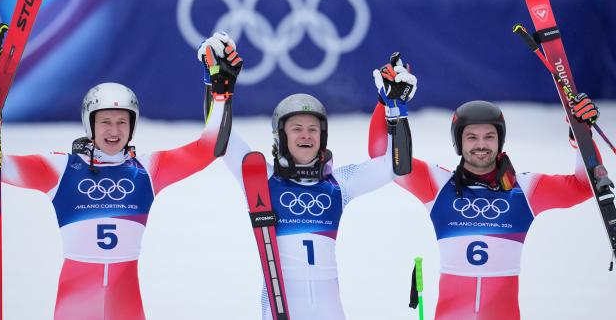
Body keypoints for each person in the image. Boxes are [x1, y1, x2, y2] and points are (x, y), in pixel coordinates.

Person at [0, 47, 242, 319]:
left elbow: (209, 147)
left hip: (125, 304)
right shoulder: (62, 168)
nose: (114, 131)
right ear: (89, 123)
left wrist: (220, 92)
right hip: (75, 304)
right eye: (105, 121)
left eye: (121, 122)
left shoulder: (148, 170)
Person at [197, 32, 417, 320]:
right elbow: (219, 140)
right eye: (296, 128)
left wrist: (396, 112)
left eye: (313, 129)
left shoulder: (340, 184)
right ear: (280, 136)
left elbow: (395, 166)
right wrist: (215, 89)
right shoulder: (259, 177)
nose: (306, 135)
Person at [368, 96, 602, 319]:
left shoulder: (525, 190)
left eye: (489, 136)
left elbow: (584, 186)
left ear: (500, 140)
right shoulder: (437, 185)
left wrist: (581, 135)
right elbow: (382, 155)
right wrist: (386, 102)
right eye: (471, 137)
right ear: (458, 142)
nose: (481, 145)